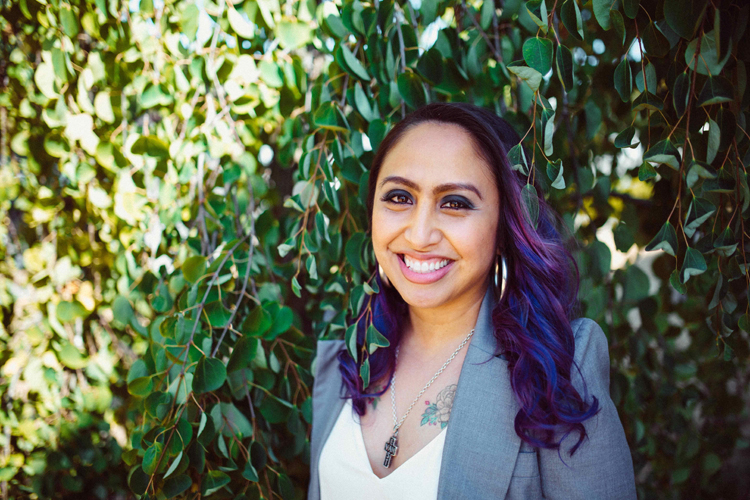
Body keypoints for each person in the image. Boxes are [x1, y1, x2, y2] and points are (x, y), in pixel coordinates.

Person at [307, 102, 636, 499]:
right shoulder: (346, 358)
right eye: (399, 197)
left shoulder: (557, 369)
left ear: (504, 227)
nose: (420, 235)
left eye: (455, 203)